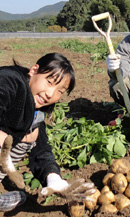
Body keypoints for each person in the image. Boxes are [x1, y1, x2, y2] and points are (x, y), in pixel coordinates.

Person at [0, 53, 95, 211]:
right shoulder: (10, 81)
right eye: (49, 82)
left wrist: (53, 178)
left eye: (59, 91)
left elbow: (41, 150)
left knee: (33, 134)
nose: (50, 94)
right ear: (34, 70)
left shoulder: (36, 112)